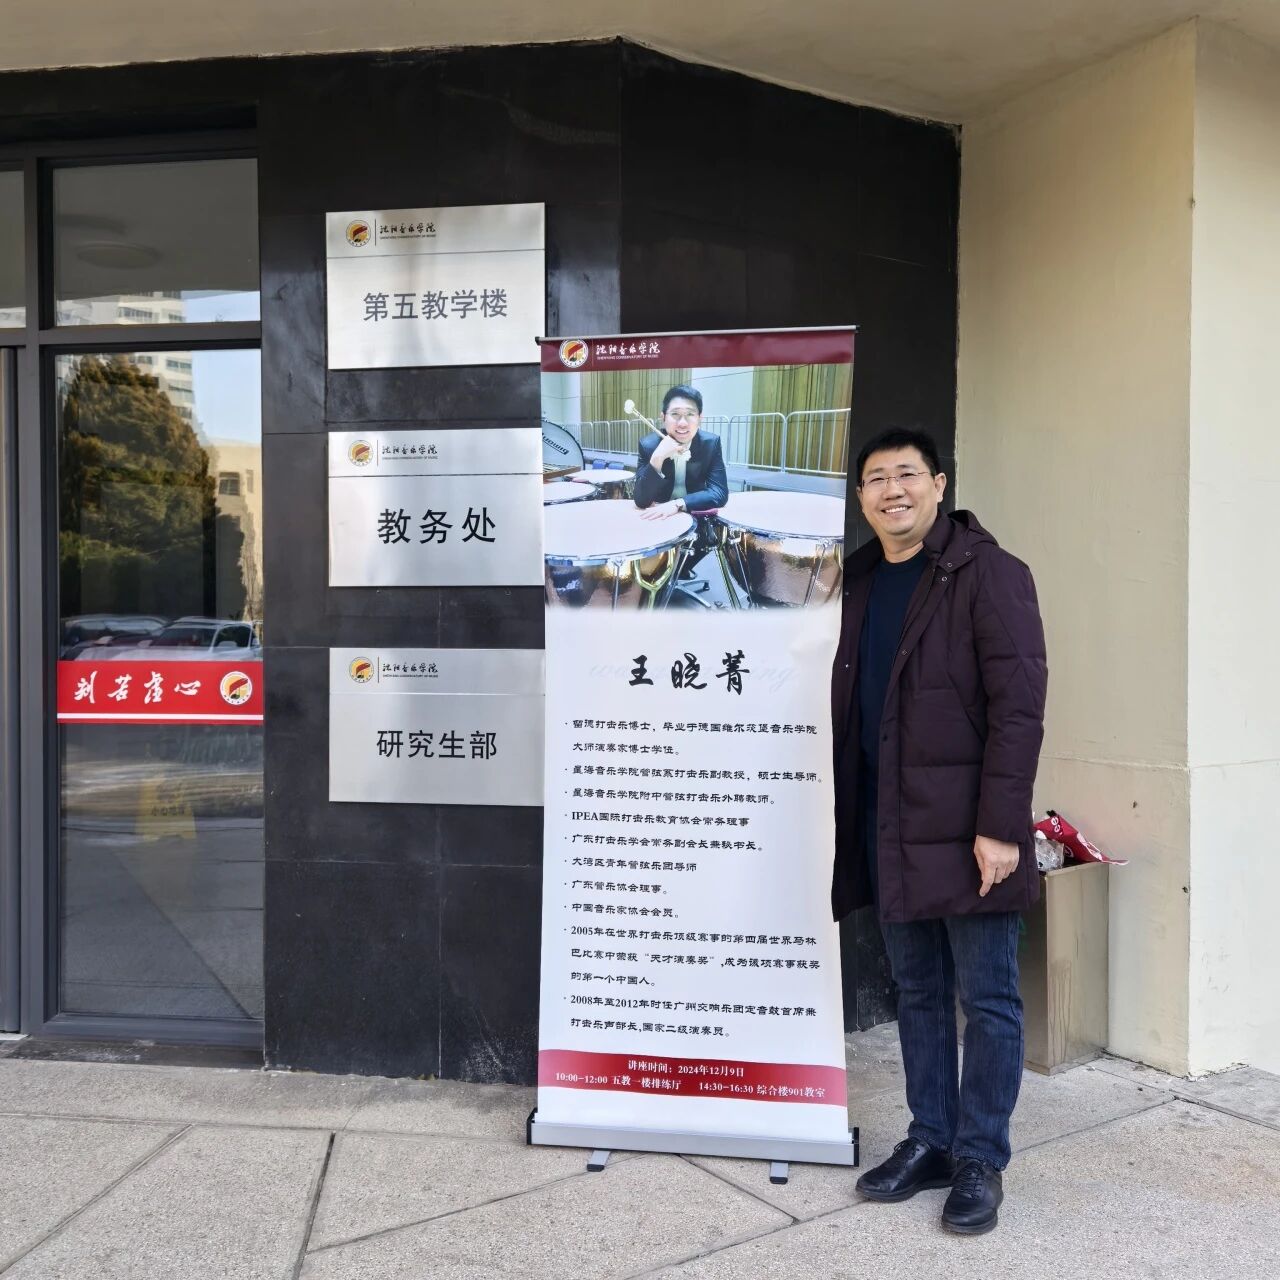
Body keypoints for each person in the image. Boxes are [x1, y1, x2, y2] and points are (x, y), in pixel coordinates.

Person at [831, 426, 1047, 1236]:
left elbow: (1019, 708)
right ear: (861, 497)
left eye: (907, 475)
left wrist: (1001, 827)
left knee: (987, 998)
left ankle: (979, 1157)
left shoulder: (989, 573)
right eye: (876, 479)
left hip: (966, 831)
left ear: (939, 484)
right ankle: (931, 1138)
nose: (893, 491)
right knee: (917, 991)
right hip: (887, 821)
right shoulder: (856, 579)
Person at [633, 386, 728, 581]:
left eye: (690, 415)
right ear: (663, 417)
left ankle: (679, 569)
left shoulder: (710, 444)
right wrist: (658, 457)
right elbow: (641, 499)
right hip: (658, 518)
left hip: (694, 516)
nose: (682, 423)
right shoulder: (649, 445)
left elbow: (719, 492)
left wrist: (677, 504)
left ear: (699, 418)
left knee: (710, 537)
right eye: (675, 414)